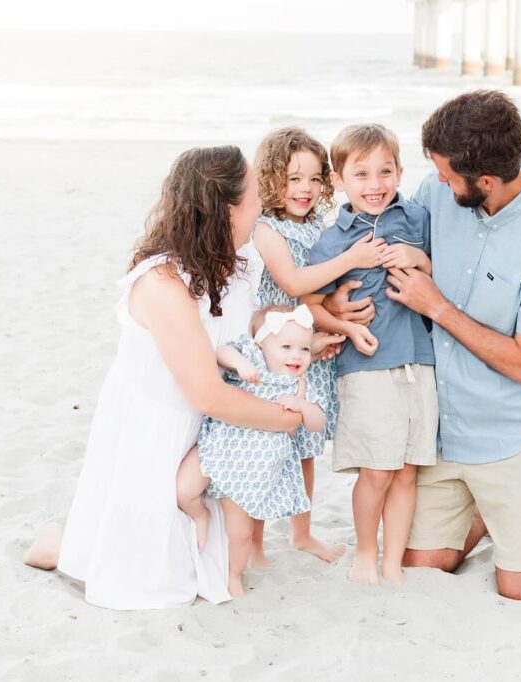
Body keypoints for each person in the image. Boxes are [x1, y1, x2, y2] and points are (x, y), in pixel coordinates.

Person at [23, 146, 316, 610]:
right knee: (148, 581)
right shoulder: (162, 282)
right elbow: (205, 391)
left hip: (210, 434)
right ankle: (57, 542)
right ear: (227, 209)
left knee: (209, 567)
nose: (264, 203)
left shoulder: (239, 262)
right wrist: (284, 420)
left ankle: (73, 536)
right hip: (158, 427)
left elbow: (246, 330)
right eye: (255, 194)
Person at [360, 90, 521, 600]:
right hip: (441, 429)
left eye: (449, 176)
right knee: (422, 566)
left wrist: (438, 306)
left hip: (513, 434)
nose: (438, 182)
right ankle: (488, 511)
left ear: (487, 182)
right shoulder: (438, 192)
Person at [303, 123, 438, 587]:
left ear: (400, 172)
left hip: (419, 362)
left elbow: (440, 271)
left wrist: (418, 260)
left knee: (405, 471)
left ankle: (392, 561)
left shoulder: (417, 218)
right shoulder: (334, 239)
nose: (375, 184)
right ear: (339, 180)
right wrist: (339, 317)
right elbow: (309, 303)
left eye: (384, 171)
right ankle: (365, 551)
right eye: (360, 174)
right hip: (366, 367)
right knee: (377, 470)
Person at [250, 127, 386, 564]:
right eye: (293, 179)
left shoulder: (317, 227)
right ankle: (252, 539)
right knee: (267, 444)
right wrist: (352, 259)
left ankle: (301, 533)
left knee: (305, 447)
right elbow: (291, 283)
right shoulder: (266, 229)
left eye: (313, 179)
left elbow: (322, 293)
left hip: (309, 349)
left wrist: (335, 321)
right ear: (271, 179)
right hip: (276, 352)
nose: (305, 189)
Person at [176, 304, 328, 597]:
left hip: (251, 468)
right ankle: (200, 516)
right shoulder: (250, 357)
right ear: (261, 345)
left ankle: (234, 575)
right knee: (184, 491)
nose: (296, 355)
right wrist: (242, 366)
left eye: (304, 349)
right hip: (218, 445)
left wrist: (303, 407)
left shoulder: (299, 385)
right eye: (286, 347)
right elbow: (221, 351)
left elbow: (317, 423)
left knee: (241, 533)